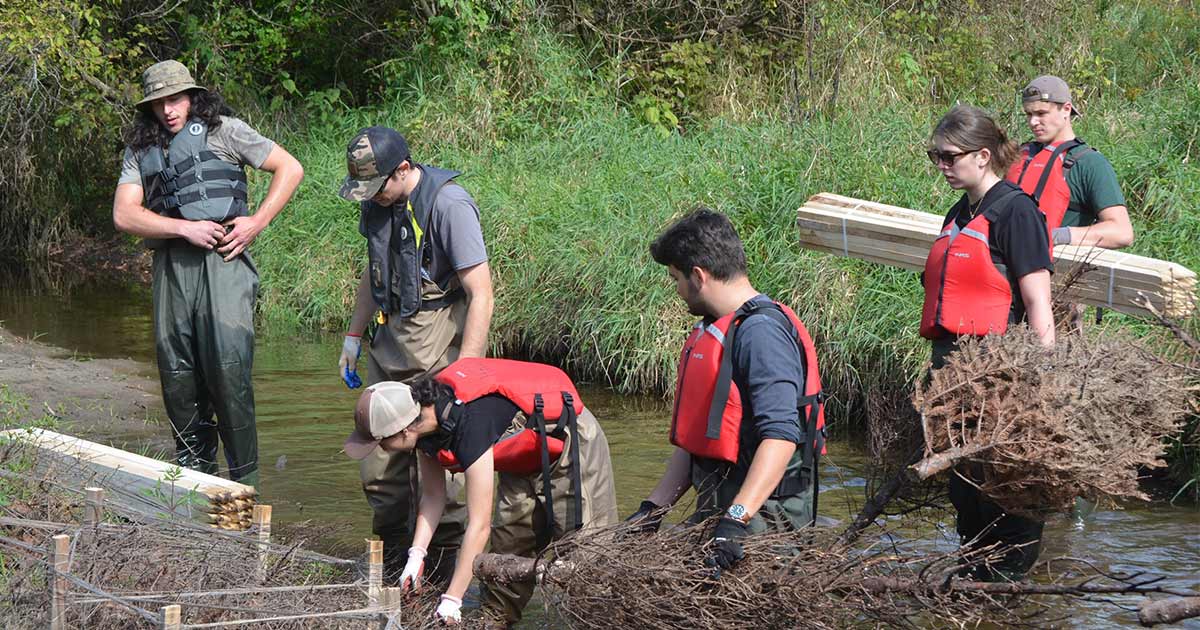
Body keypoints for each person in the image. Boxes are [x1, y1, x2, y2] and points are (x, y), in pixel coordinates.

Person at [112, 60, 304, 486]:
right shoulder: (141, 149)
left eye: (175, 99)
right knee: (178, 377)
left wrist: (257, 222)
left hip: (224, 262)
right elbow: (124, 214)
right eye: (159, 103)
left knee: (228, 371)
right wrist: (182, 227)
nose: (168, 110)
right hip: (172, 267)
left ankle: (244, 487)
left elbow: (289, 169)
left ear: (192, 97)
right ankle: (194, 483)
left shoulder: (226, 131)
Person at [343, 358, 618, 625]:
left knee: (586, 552)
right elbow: (434, 497)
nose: (380, 450)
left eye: (381, 442)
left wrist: (452, 599)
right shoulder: (422, 425)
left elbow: (479, 526)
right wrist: (416, 557)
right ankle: (496, 620)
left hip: (569, 440)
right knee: (510, 544)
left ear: (402, 430)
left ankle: (601, 620)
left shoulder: (468, 425)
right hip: (523, 452)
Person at [628, 209, 826, 578]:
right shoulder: (718, 329)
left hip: (766, 529)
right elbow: (697, 444)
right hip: (722, 520)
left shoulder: (761, 335)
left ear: (699, 276)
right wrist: (651, 511)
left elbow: (781, 437)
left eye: (676, 279)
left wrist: (735, 520)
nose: (676, 291)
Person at [336, 127, 494, 585]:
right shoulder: (377, 198)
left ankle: (446, 582)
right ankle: (390, 576)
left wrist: (467, 373)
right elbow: (376, 268)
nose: (373, 198)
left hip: (438, 352)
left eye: (378, 188)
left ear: (403, 170)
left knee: (448, 481)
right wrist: (353, 333)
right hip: (388, 349)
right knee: (380, 473)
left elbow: (480, 293)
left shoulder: (449, 205)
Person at [921, 105, 1056, 581]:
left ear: (982, 156)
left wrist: (1041, 384)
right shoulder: (959, 213)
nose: (941, 165)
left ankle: (1009, 588)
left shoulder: (1016, 211)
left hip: (999, 377)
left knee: (1005, 487)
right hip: (954, 379)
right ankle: (976, 581)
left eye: (948, 156)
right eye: (934, 155)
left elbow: (1038, 303)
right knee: (966, 490)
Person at [1007, 75, 1134, 251]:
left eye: (1041, 113)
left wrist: (1058, 236)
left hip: (1053, 268)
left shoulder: (1090, 164)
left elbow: (1122, 232)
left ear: (1066, 109)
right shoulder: (1020, 156)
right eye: (1029, 114)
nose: (1033, 122)